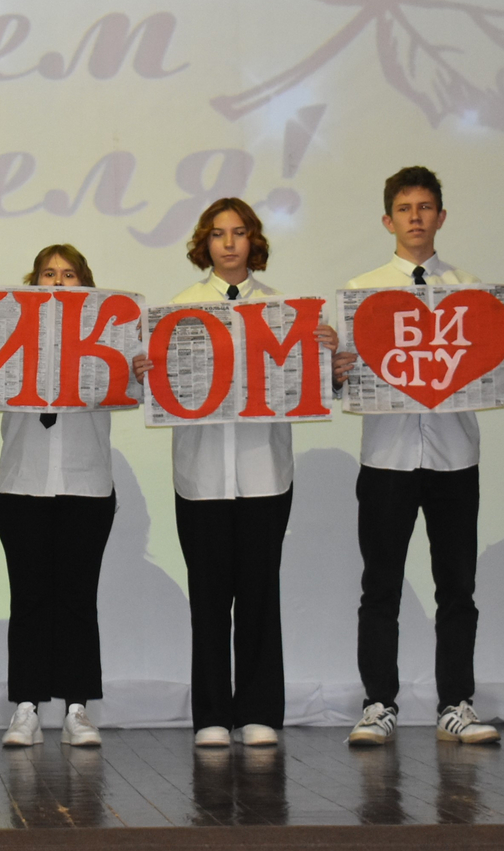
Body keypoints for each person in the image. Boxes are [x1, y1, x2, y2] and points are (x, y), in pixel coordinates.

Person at [334, 167, 504, 747]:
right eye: (404, 208)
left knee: (457, 587)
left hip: (454, 458)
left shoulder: (473, 292)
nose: (416, 217)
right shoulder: (362, 292)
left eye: (425, 207)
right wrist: (336, 372)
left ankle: (457, 704)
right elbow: (344, 380)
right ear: (388, 220)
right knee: (380, 587)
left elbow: (489, 367)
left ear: (441, 216)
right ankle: (378, 704)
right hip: (387, 459)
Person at [166, 199, 338, 750]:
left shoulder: (284, 310)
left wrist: (324, 353)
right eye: (218, 234)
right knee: (208, 597)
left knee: (261, 595)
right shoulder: (179, 309)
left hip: (265, 472)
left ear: (253, 241)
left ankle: (260, 711)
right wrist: (148, 369)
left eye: (239, 233)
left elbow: (316, 384)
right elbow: (163, 391)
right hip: (200, 475)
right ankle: (212, 715)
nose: (229, 243)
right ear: (205, 243)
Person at [0, 244, 149, 749]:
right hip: (21, 480)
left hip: (86, 482)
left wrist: (141, 367)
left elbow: (136, 391)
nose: (58, 283)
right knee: (28, 598)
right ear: (32, 283)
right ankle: (26, 707)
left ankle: (77, 708)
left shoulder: (109, 337)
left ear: (86, 285)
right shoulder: (7, 333)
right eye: (47, 274)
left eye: (69, 274)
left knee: (78, 599)